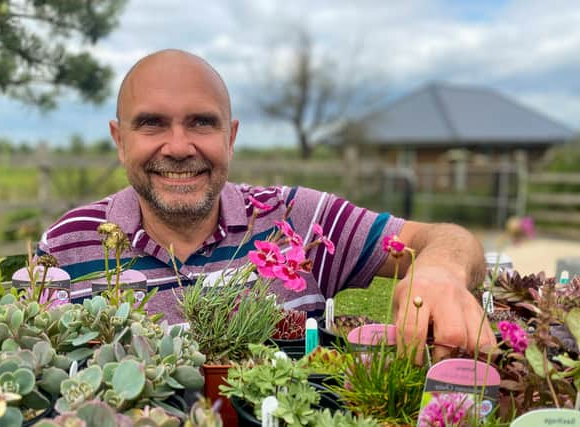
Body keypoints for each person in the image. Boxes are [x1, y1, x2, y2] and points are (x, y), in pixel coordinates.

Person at [38, 49, 495, 359]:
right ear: (120, 141)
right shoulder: (67, 245)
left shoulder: (296, 219)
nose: (178, 147)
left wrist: (438, 271)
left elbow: (445, 239)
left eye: (201, 123)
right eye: (152, 124)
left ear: (230, 138)